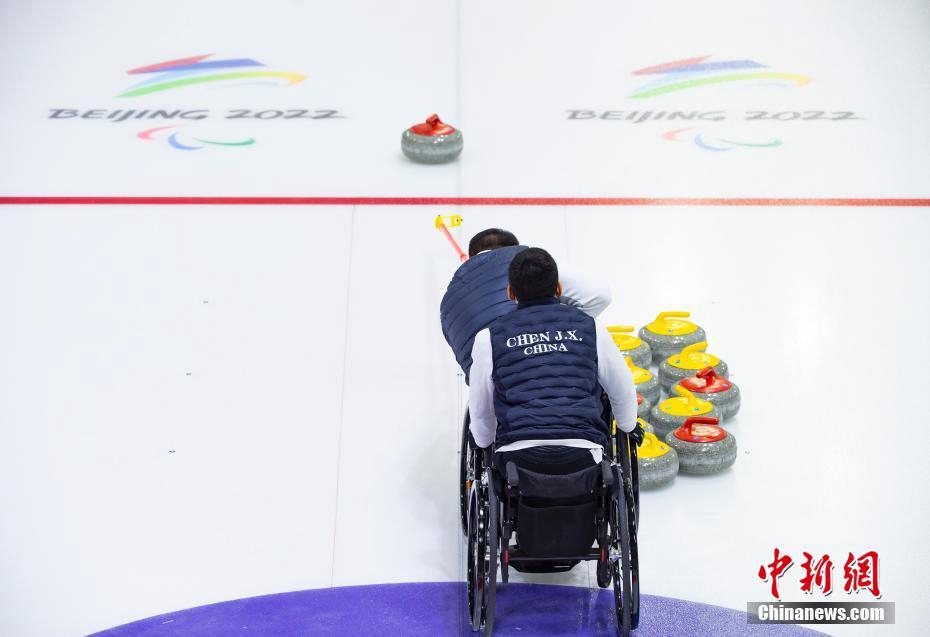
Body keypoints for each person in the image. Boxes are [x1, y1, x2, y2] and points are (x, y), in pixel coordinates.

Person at [467, 247, 641, 474]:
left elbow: (481, 407)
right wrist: (628, 426)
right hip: (585, 453)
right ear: (558, 288)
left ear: (511, 293)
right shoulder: (591, 327)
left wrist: (482, 442)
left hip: (517, 458)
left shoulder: (488, 337)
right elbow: (622, 387)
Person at [440, 228, 611, 384]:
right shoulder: (527, 260)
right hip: (558, 376)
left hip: (497, 394)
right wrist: (564, 329)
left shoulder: (447, 305)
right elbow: (599, 297)